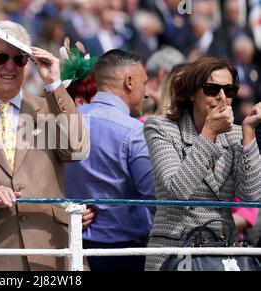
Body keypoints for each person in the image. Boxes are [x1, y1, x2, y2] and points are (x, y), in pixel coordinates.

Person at [0, 20, 90, 271]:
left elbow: (77, 149)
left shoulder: (49, 106)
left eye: (19, 59)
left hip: (53, 253)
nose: (10, 66)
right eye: (1, 57)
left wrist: (53, 83)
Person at [144, 57, 261, 271]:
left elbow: (252, 197)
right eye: (211, 88)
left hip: (223, 253)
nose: (222, 97)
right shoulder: (161, 127)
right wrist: (209, 134)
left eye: (229, 90)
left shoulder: (236, 134)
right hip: (175, 252)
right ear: (191, 92)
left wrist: (249, 132)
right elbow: (177, 192)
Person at [65, 49, 155, 271]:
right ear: (129, 82)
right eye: (145, 83)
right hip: (124, 253)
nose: (147, 93)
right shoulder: (135, 132)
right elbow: (156, 196)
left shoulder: (64, 124)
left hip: (70, 248)